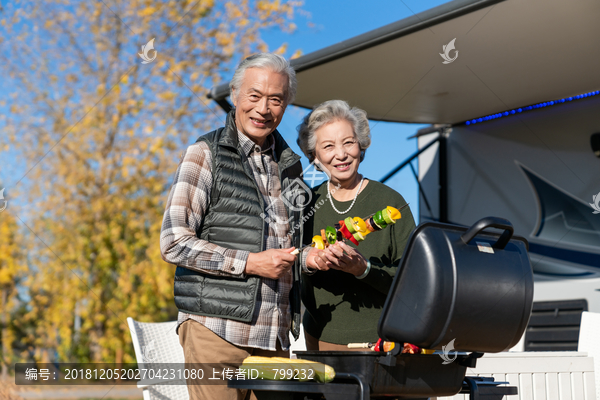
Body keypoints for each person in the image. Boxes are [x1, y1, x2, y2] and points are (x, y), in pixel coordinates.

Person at [160, 53, 310, 400]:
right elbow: (173, 242)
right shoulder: (204, 153)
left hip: (273, 339)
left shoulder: (290, 167)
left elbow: (291, 243)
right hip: (215, 332)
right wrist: (250, 263)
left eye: (276, 99)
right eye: (254, 96)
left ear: (286, 104)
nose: (263, 109)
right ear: (236, 94)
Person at [297, 100, 417, 350]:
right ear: (314, 156)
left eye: (348, 142)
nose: (341, 154)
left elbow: (416, 280)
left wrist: (364, 269)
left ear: (361, 145)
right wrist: (311, 261)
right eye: (328, 146)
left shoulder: (390, 201)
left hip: (385, 339)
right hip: (321, 338)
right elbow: (288, 262)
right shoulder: (304, 205)